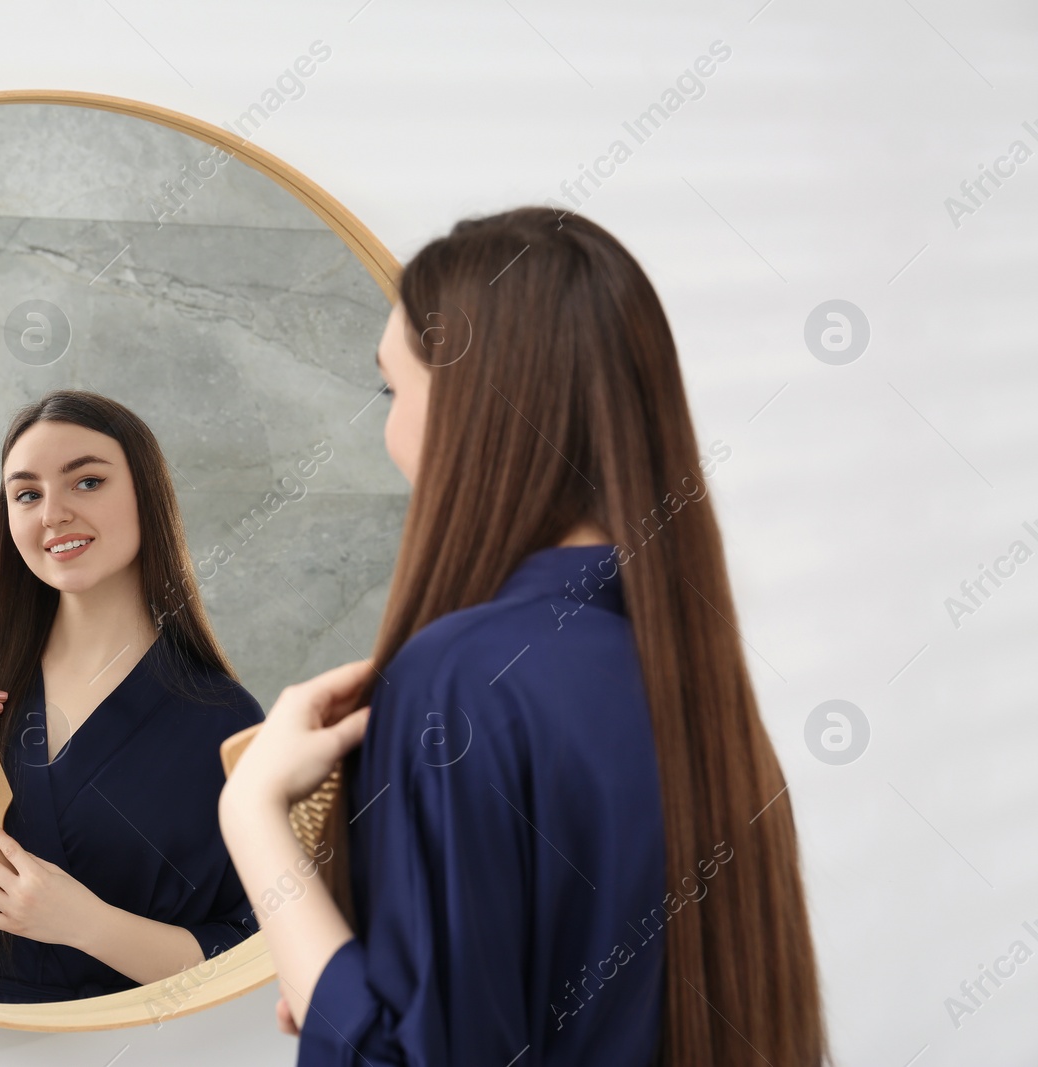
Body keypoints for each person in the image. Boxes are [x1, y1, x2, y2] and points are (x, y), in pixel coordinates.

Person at [219, 207, 829, 1065]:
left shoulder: (461, 676)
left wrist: (251, 816)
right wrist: (342, 979)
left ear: (474, 409)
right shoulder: (689, 677)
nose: (390, 431)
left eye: (393, 391)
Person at [0, 390, 265, 1003]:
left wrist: (89, 926)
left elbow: (249, 956)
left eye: (87, 482)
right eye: (27, 494)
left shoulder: (223, 721)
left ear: (147, 495)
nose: (53, 514)